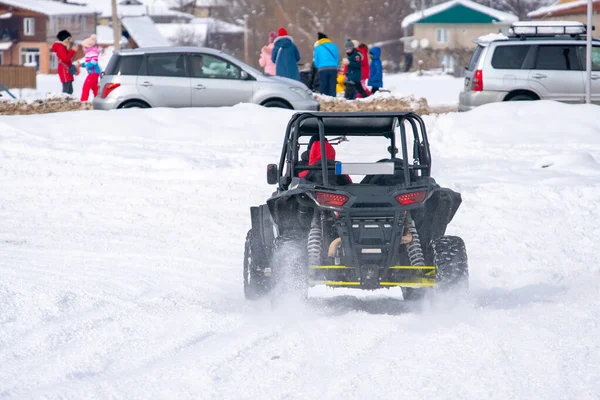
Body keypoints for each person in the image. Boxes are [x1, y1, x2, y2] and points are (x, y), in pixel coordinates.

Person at [51, 30, 78, 95]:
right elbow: (65, 58)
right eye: (68, 39)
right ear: (64, 39)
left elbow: (66, 57)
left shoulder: (63, 47)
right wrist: (73, 51)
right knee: (66, 89)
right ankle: (65, 101)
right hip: (64, 70)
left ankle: (68, 101)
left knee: (70, 89)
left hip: (66, 69)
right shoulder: (60, 47)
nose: (70, 41)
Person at [312, 32, 339, 97]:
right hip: (333, 68)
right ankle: (333, 100)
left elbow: (316, 60)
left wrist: (318, 66)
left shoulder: (318, 48)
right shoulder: (334, 46)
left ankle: (324, 99)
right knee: (332, 86)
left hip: (322, 69)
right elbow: (337, 58)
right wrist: (334, 65)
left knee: (323, 85)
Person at [78, 34, 101, 101]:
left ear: (87, 46)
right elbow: (88, 63)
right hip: (94, 73)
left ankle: (83, 101)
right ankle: (97, 100)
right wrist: (81, 65)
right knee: (95, 88)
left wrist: (88, 65)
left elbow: (94, 61)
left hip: (93, 74)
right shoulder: (89, 53)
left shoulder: (92, 52)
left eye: (83, 47)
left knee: (86, 87)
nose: (82, 48)